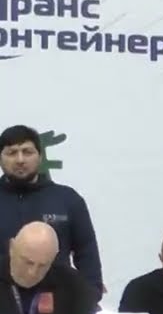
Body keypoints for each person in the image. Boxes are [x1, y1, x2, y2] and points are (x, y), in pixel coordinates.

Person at [0, 125, 104, 302]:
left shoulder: (67, 199)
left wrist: (90, 296)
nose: (20, 159)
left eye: (27, 152)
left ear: (40, 156)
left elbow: (86, 252)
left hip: (58, 302)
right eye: (11, 153)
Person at [0, 222, 99, 314]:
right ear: (11, 248)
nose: (32, 272)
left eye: (43, 265)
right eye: (28, 262)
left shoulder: (71, 282)